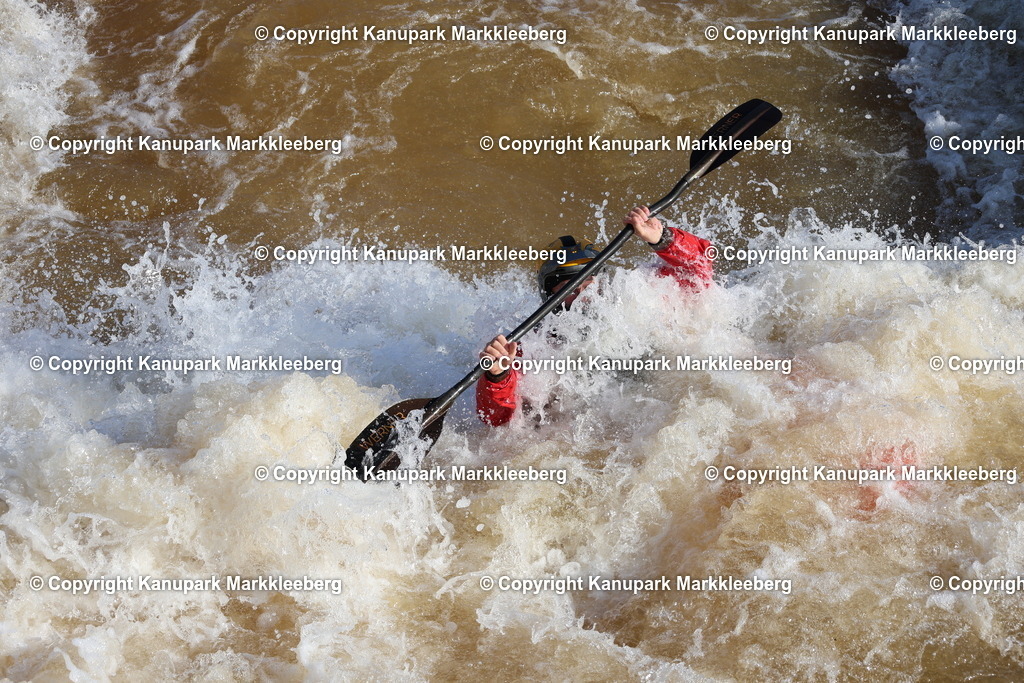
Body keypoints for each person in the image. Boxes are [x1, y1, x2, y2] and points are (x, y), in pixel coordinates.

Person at [476, 205, 714, 426]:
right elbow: (496, 419)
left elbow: (698, 271)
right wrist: (497, 376)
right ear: (548, 293)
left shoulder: (640, 299)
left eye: (587, 281)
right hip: (585, 424)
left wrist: (663, 239)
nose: (581, 293)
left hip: (653, 403)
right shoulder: (531, 345)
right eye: (568, 286)